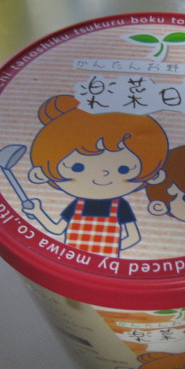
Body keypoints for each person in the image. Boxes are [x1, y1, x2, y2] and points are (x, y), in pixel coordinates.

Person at [24, 95, 168, 257]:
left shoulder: (120, 206)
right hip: (72, 259)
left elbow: (133, 237)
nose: (103, 174)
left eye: (123, 169)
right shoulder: (77, 205)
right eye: (78, 167)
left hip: (107, 262)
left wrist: (111, 251)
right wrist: (37, 212)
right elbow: (57, 229)